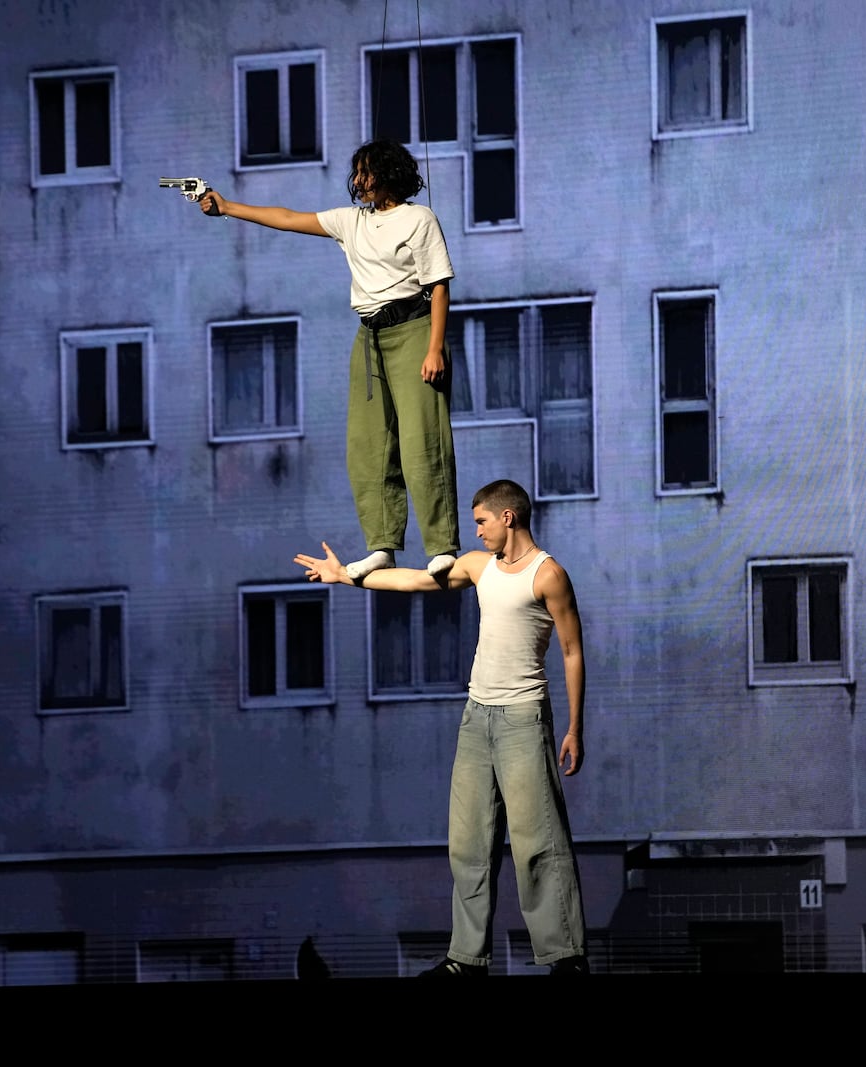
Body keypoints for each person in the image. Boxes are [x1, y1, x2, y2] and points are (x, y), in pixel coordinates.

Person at [294, 479, 589, 976]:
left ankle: (565, 957)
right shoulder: (479, 566)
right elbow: (413, 581)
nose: (476, 531)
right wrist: (345, 576)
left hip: (522, 716)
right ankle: (467, 960)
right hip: (476, 717)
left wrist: (575, 728)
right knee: (469, 841)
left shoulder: (548, 575)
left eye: (481, 521)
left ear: (508, 518)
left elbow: (572, 652)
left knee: (537, 839)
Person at [197, 140, 459, 581]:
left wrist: (435, 348)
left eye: (366, 172)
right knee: (368, 446)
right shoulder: (350, 221)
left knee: (422, 442)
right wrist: (227, 207)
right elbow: (285, 217)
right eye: (356, 172)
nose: (359, 181)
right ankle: (381, 545)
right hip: (370, 337)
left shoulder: (419, 219)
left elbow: (439, 287)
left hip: (414, 331)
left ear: (387, 173)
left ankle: (442, 545)